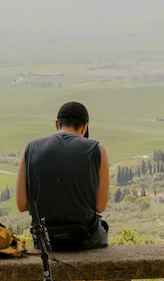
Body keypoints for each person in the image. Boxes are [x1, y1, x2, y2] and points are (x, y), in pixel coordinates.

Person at [16, 100, 110, 250]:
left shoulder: (30, 148)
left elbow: (21, 204)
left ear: (57, 124)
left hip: (46, 241)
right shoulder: (97, 149)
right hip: (83, 239)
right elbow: (100, 206)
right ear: (85, 127)